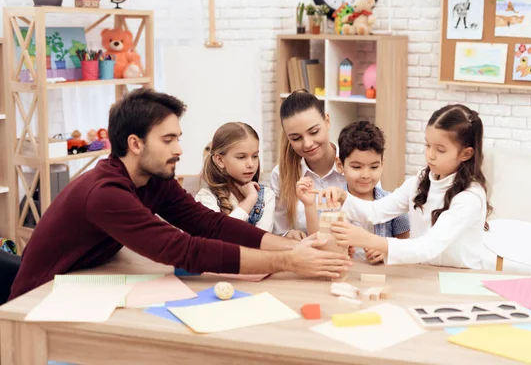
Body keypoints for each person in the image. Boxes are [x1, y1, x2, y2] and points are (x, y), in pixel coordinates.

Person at [9, 88, 352, 300]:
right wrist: (288, 261)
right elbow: (182, 249)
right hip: (40, 298)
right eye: (168, 140)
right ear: (135, 143)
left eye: (178, 137)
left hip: (84, 280)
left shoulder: (154, 179)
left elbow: (210, 225)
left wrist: (295, 247)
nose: (179, 149)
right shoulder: (105, 193)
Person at [319, 104, 492, 270]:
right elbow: (375, 211)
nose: (430, 155)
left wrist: (368, 240)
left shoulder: (470, 197)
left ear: (465, 154)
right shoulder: (419, 182)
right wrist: (343, 196)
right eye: (427, 145)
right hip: (422, 274)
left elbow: (428, 247)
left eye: (440, 149)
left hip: (461, 279)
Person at [296, 121, 410, 264]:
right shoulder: (331, 202)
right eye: (357, 167)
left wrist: (387, 250)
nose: (365, 175)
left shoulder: (393, 203)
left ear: (382, 164)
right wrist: (309, 205)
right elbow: (318, 242)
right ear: (340, 165)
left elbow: (406, 248)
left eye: (374, 167)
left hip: (381, 277)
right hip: (345, 274)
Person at [270, 90, 346, 240]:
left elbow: (376, 220)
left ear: (327, 121)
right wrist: (286, 235)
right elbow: (278, 230)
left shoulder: (355, 165)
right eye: (296, 138)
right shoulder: (281, 174)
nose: (308, 144)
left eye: (314, 132)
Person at [195, 122, 275, 232]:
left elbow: (263, 241)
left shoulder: (266, 195)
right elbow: (220, 236)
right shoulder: (206, 197)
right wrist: (250, 199)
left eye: (255, 156)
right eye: (241, 157)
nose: (251, 164)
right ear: (219, 160)